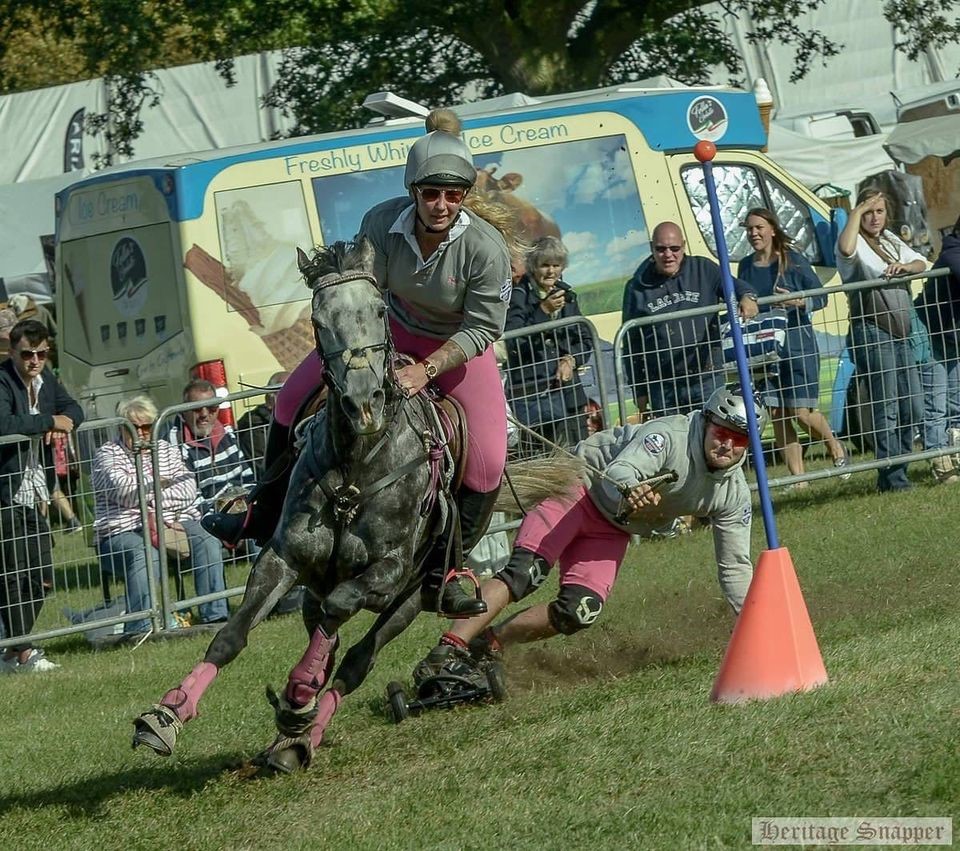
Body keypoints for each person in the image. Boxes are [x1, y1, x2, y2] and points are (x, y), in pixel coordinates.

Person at [202, 109, 513, 618]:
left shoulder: (485, 247)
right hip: (388, 332)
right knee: (286, 400)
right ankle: (262, 511)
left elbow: (482, 328)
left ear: (464, 196)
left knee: (488, 463)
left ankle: (450, 570)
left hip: (456, 349)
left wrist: (425, 370)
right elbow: (366, 296)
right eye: (430, 193)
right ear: (413, 189)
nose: (440, 205)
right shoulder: (379, 224)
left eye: (452, 194)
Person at [413, 386, 761, 683]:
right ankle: (444, 651)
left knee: (578, 611)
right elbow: (622, 468)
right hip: (576, 488)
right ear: (707, 422)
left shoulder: (733, 494)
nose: (727, 445)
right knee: (525, 573)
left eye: (740, 439)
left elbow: (735, 566)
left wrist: (753, 629)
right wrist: (632, 488)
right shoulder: (669, 436)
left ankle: (487, 645)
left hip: (613, 527)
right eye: (722, 433)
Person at [737, 208, 850, 483]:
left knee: (801, 413)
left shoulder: (793, 260)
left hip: (798, 345)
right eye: (750, 229)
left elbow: (820, 297)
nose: (754, 233)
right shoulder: (745, 266)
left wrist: (799, 301)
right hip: (765, 350)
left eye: (759, 227)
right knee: (777, 413)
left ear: (772, 229)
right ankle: (798, 480)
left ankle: (835, 446)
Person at [92, 395, 216, 633]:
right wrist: (161, 484)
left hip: (174, 521)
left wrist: (149, 494)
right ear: (122, 428)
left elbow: (189, 488)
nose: (141, 433)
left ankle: (214, 616)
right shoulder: (106, 454)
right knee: (144, 553)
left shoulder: (166, 450)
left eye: (147, 427)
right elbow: (124, 492)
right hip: (120, 530)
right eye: (133, 428)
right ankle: (142, 627)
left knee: (206, 539)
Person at [0, 319, 83, 672]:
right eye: (28, 354)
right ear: (13, 352)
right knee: (13, 573)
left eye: (42, 353)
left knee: (41, 574)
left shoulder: (47, 379)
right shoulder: (3, 379)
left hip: (35, 488)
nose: (35, 360)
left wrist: (66, 419)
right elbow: (4, 424)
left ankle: (11, 650)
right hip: (5, 491)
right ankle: (23, 651)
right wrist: (50, 421)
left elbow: (75, 410)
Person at [836, 188, 926, 493]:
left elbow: (921, 262)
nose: (874, 218)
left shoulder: (890, 239)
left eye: (880, 211)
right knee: (885, 405)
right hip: (873, 330)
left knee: (912, 405)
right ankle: (892, 478)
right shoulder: (854, 240)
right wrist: (854, 214)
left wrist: (905, 267)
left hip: (901, 332)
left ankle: (896, 470)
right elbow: (846, 250)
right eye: (869, 212)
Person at [621, 221, 759, 418]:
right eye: (661, 249)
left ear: (683, 246)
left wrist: (748, 297)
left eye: (674, 248)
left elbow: (737, 286)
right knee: (672, 445)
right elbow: (631, 344)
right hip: (663, 386)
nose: (668, 255)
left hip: (706, 377)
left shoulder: (704, 269)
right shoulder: (636, 288)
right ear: (652, 248)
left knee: (712, 438)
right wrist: (640, 391)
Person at [505, 235, 591, 456]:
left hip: (569, 394)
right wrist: (542, 312)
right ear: (533, 266)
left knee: (578, 456)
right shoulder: (518, 296)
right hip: (534, 398)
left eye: (556, 265)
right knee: (542, 463)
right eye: (545, 265)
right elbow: (514, 340)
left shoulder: (567, 296)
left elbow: (585, 338)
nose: (551, 271)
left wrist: (571, 360)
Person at [915, 212, 960, 469]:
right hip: (933, 335)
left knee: (957, 402)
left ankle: (954, 454)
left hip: (953, 337)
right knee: (937, 402)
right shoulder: (952, 251)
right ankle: (938, 459)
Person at [237, 371, 290, 476]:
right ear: (270, 398)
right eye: (286, 392)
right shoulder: (255, 426)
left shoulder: (288, 419)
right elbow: (266, 467)